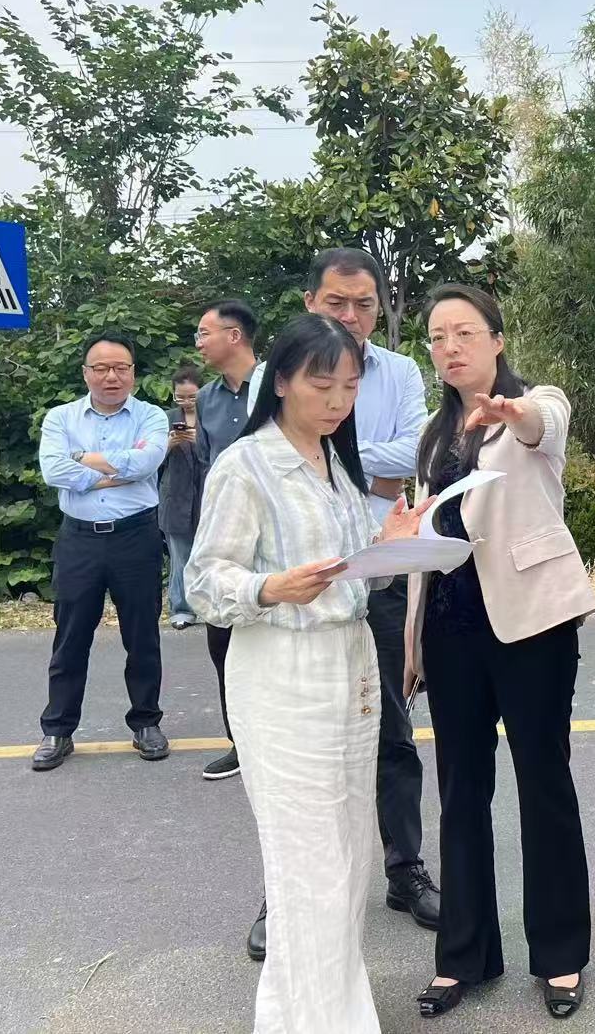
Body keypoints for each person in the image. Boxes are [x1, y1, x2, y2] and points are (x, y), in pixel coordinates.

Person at [187, 312, 434, 1034]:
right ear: (281, 381)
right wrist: (269, 588)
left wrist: (390, 544)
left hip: (349, 667)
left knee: (349, 857)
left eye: (349, 387)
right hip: (282, 670)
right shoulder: (247, 466)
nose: (337, 401)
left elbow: (353, 576)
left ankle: (335, 1010)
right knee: (309, 864)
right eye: (321, 385)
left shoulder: (335, 464)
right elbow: (204, 581)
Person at [398, 285, 595, 1023]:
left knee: (544, 783)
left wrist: (515, 413)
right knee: (461, 792)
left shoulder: (534, 407)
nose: (449, 347)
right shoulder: (433, 436)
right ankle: (464, 955)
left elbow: (547, 424)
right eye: (436, 337)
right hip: (450, 630)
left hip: (531, 624)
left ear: (497, 339)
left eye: (464, 333)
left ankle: (561, 954)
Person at [241, 249, 438, 960]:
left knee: (390, 732)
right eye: (336, 303)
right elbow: (272, 456)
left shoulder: (401, 372)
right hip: (294, 589)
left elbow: (413, 453)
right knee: (298, 757)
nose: (350, 316)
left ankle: (404, 868)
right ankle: (283, 893)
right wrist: (365, 469)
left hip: (378, 572)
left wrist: (354, 459)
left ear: (380, 308)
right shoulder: (278, 371)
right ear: (310, 303)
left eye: (363, 304)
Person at [32, 330, 171, 771]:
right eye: (102, 368)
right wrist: (116, 471)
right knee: (70, 636)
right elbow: (53, 470)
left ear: (133, 372)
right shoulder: (60, 417)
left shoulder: (151, 416)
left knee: (142, 635)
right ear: (85, 373)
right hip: (80, 539)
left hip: (136, 536)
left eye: (121, 368)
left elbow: (147, 462)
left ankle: (146, 722)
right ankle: (58, 729)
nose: (112, 376)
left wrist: (83, 459)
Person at [192, 299, 260, 783]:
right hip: (224, 534)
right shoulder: (205, 399)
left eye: (204, 332)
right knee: (223, 641)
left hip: (272, 535)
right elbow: (205, 463)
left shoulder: (279, 385)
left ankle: (276, 740)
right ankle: (240, 742)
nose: (198, 342)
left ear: (234, 336)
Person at [159, 363, 205, 629]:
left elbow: (224, 453)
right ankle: (181, 608)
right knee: (179, 556)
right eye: (180, 397)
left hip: (207, 495)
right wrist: (169, 443)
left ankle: (210, 605)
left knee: (210, 554)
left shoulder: (211, 417)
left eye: (191, 396)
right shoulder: (165, 418)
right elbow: (149, 460)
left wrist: (199, 441)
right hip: (175, 495)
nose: (186, 402)